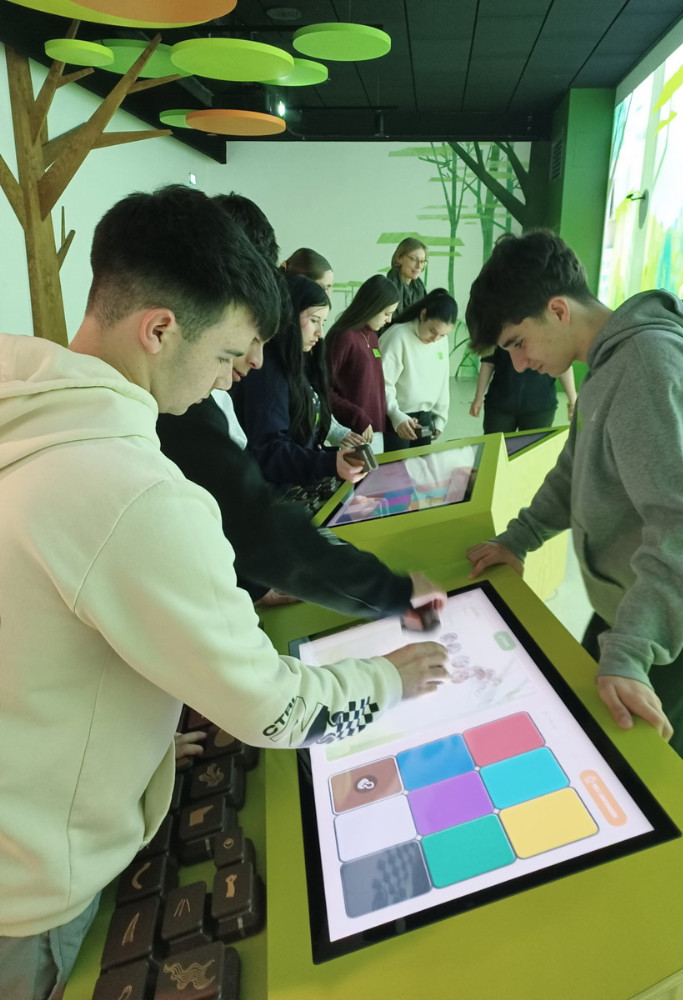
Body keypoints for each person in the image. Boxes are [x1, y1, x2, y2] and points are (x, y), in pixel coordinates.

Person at [0, 185, 449, 998]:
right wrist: (392, 678)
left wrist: (130, 746)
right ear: (160, 329)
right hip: (29, 892)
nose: (228, 380)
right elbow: (269, 707)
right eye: (224, 356)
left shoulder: (25, 403)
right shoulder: (133, 489)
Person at [464, 230, 683, 759]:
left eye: (518, 342)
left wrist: (631, 652)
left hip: (668, 618)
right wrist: (519, 538)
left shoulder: (647, 367)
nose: (518, 364)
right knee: (591, 737)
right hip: (632, 603)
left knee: (636, 772)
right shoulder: (610, 362)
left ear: (558, 310)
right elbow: (575, 470)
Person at [158, 192, 443, 621]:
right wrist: (391, 594)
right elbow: (253, 517)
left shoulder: (190, 398)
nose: (251, 362)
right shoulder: (179, 408)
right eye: (238, 344)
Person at [231, 273, 365, 504]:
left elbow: (300, 442)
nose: (320, 333)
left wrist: (334, 458)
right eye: (314, 320)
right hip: (273, 502)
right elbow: (269, 452)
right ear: (290, 316)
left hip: (295, 494)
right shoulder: (267, 370)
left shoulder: (297, 365)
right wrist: (329, 462)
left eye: (323, 323)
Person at [326, 274, 400, 453]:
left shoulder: (372, 335)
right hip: (352, 434)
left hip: (375, 432)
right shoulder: (344, 337)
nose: (389, 320)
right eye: (387, 313)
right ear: (373, 306)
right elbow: (323, 389)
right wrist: (356, 416)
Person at [379, 288, 457, 451]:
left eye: (442, 335)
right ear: (423, 315)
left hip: (425, 419)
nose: (435, 339)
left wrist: (440, 418)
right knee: (397, 466)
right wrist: (396, 416)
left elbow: (443, 380)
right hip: (397, 419)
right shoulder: (398, 336)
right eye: (433, 331)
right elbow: (381, 384)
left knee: (420, 464)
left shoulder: (441, 341)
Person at [469, 347, 577, 433]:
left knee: (533, 451)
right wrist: (478, 398)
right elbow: (488, 364)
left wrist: (573, 401)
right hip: (500, 404)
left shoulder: (552, 331)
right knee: (496, 449)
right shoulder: (498, 327)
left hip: (540, 406)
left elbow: (563, 366)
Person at [386, 237, 428, 313]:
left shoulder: (420, 289)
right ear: (399, 258)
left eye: (422, 261)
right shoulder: (386, 289)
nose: (419, 266)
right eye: (414, 260)